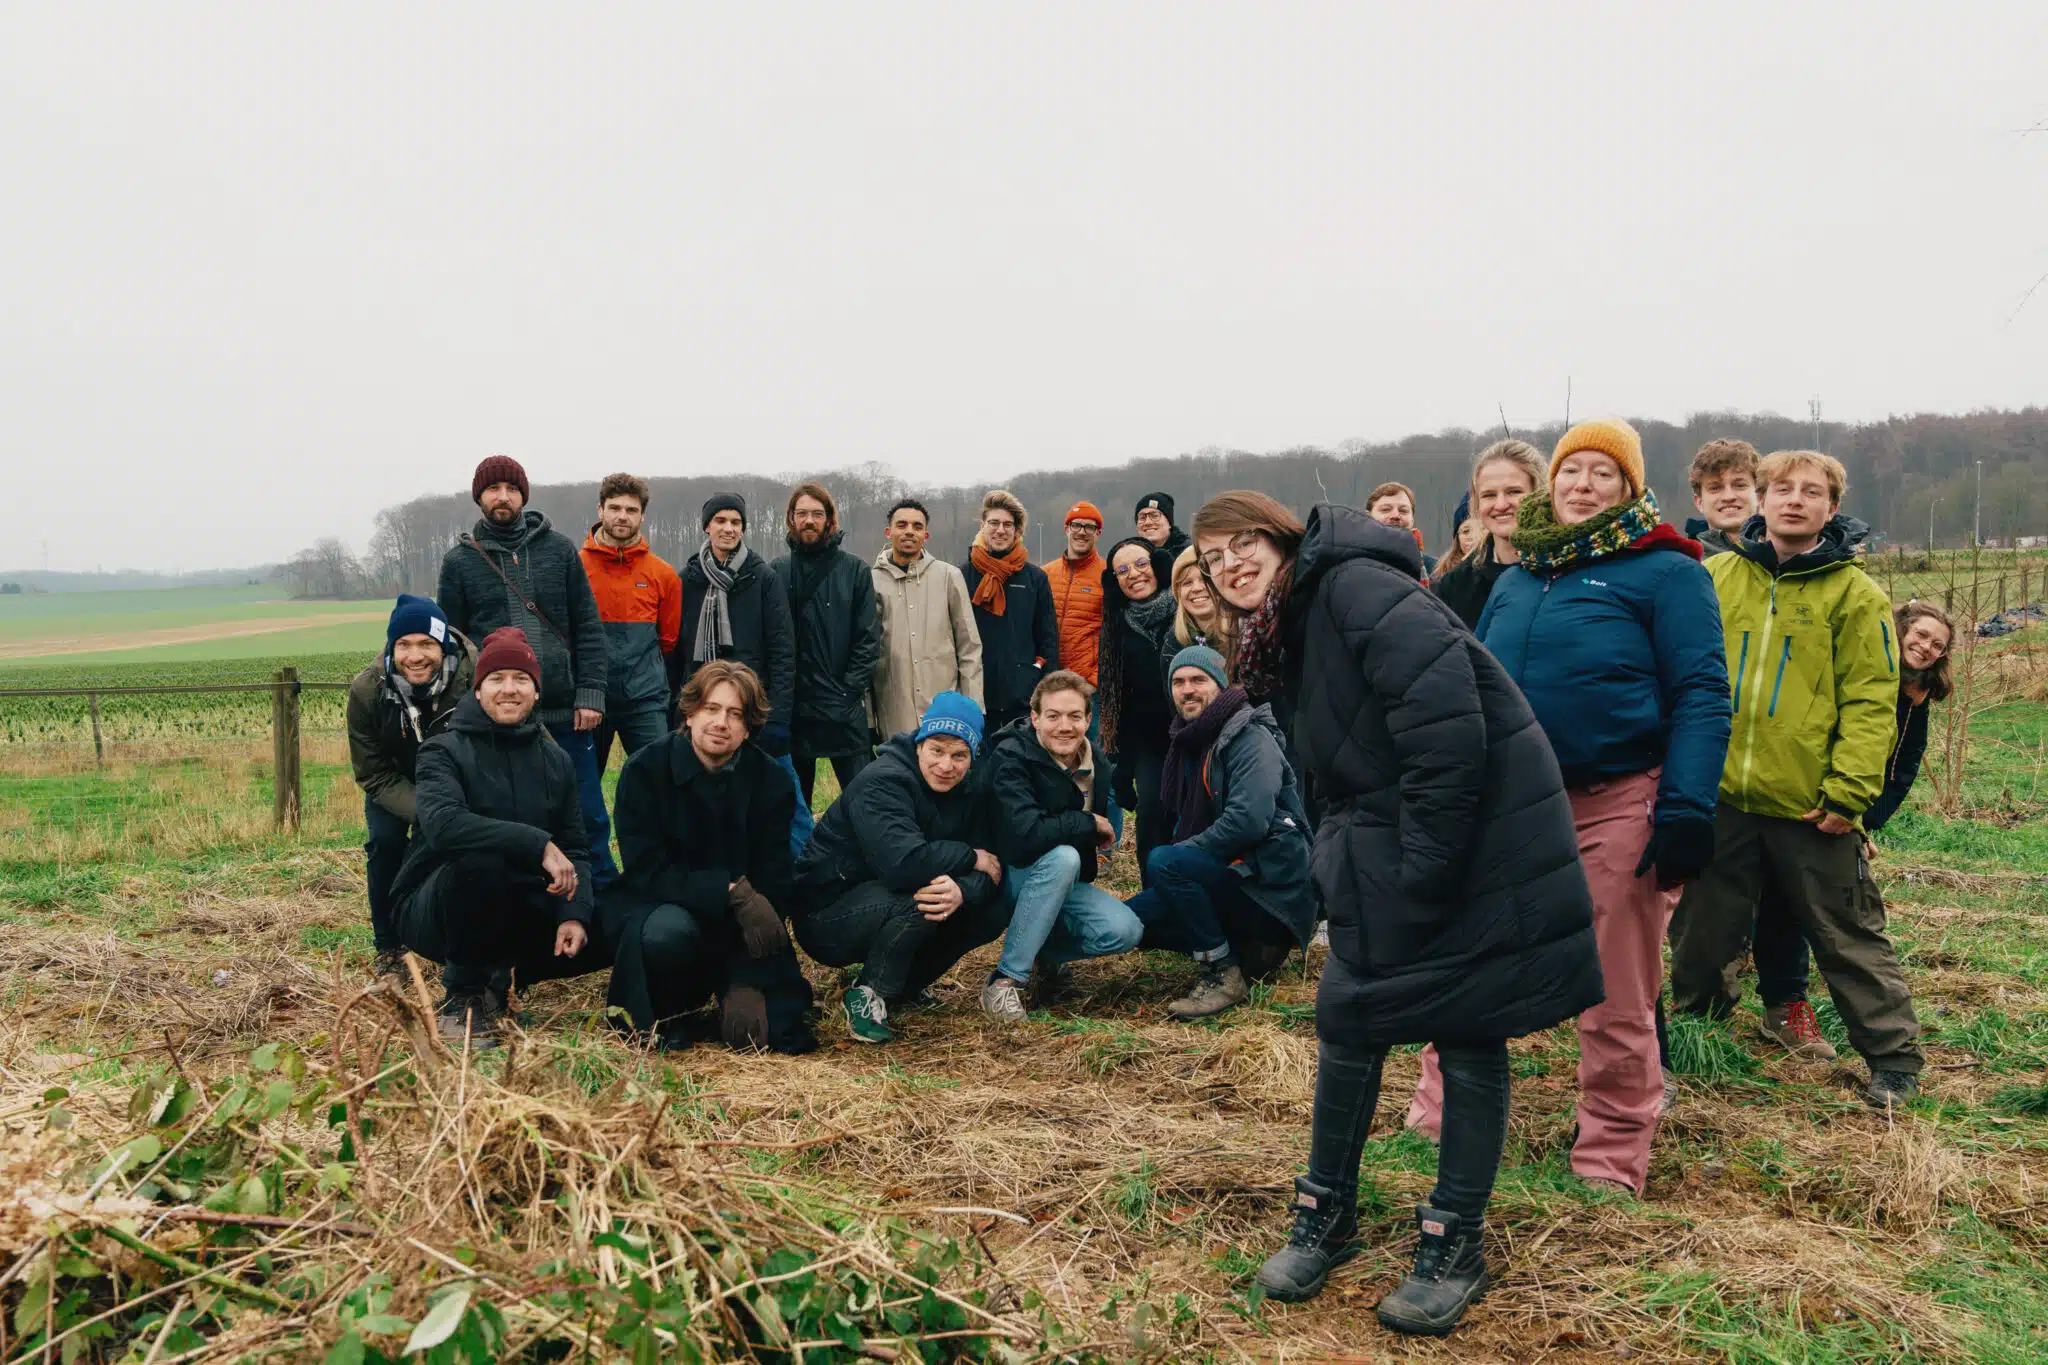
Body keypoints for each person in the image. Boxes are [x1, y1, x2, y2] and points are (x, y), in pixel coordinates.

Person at [1193, 492, 1600, 1336]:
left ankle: (1455, 1242)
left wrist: (1427, 866)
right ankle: (1326, 1214)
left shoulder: (1354, 588)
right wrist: (1336, 856)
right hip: (1384, 838)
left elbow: (1446, 727)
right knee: (1349, 1015)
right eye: (1210, 557)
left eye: (1241, 542)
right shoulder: (1288, 622)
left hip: (1468, 832)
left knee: (1468, 1027)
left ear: (1281, 537)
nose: (1229, 563)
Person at [1407, 419, 1730, 1198]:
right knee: (1467, 961)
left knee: (1613, 988)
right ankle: (1439, 1118)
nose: (1583, 484)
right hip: (1511, 806)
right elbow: (1474, 692)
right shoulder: (1521, 577)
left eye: (1602, 473)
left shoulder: (1667, 572)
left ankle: (1610, 1155)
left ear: (1629, 487)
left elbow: (1702, 691)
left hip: (1617, 801)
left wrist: (1686, 807)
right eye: (1571, 471)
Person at [1668, 451, 1926, 1111]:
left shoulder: (1855, 594)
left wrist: (1849, 792)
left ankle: (1893, 1059)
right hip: (1720, 792)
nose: (1794, 500)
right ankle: (1698, 1037)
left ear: (1831, 508)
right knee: (1702, 932)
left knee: (1847, 930)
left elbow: (1872, 699)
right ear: (1762, 498)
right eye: (1782, 488)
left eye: (1812, 492)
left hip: (1811, 803)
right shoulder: (1715, 576)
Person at [1746, 599, 1956, 1060]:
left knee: (1813, 909)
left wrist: (1860, 820)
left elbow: (1900, 770)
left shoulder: (1916, 699)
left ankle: (1790, 1004)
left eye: (1937, 645)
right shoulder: (1855, 669)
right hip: (1796, 790)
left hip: (1841, 811)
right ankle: (1718, 1004)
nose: (1926, 647)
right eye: (1921, 635)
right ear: (1899, 629)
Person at [390, 628, 605, 1046]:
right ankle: (464, 996)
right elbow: (444, 826)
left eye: (521, 679)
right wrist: (538, 844)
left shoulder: (556, 761)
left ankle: (506, 975)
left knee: (620, 919)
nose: (509, 689)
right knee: (481, 862)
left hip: (518, 902)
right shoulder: (442, 750)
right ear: (478, 690)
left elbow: (575, 847)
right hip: (438, 907)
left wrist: (573, 914)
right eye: (497, 679)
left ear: (536, 692)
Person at [603, 660, 815, 1054]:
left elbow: (773, 876)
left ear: (748, 727)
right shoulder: (644, 771)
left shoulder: (772, 780)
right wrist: (727, 890)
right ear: (689, 713)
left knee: (773, 1032)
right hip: (662, 908)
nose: (721, 723)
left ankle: (732, 986)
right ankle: (672, 1010)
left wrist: (747, 979)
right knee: (667, 933)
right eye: (711, 709)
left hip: (739, 925)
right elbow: (646, 870)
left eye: (735, 714)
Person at [436, 456, 617, 886]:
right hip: (500, 719)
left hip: (566, 714)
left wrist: (590, 693)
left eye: (511, 489)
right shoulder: (459, 562)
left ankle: (599, 899)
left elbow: (588, 627)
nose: (503, 497)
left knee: (587, 814)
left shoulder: (560, 550)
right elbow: (452, 645)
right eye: (493, 489)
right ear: (479, 496)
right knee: (512, 817)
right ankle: (526, 901)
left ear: (524, 496)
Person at [794, 693, 1009, 1044]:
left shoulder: (972, 790)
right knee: (924, 896)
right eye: (936, 750)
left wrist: (962, 890)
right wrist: (969, 856)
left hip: (895, 895)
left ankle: (905, 985)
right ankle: (870, 993)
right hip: (827, 913)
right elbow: (902, 865)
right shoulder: (882, 780)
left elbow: (994, 867)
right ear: (919, 744)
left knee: (991, 908)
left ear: (973, 756)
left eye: (959, 755)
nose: (946, 765)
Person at [1123, 646, 1316, 1018]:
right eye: (1178, 682)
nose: (1187, 690)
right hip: (1234, 875)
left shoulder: (1249, 737)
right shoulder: (1191, 740)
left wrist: (1182, 857)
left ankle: (1225, 971)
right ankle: (1249, 952)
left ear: (1221, 685)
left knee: (1166, 862)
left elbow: (1248, 821)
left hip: (1269, 888)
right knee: (1130, 923)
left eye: (1198, 679)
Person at [980, 671, 1142, 1020]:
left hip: (1061, 879)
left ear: (1088, 719)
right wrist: (1087, 823)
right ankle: (1005, 981)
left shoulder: (1096, 762)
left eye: (1074, 716)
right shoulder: (1010, 756)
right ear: (1035, 718)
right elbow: (1024, 836)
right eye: (1053, 716)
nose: (1064, 727)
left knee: (1125, 930)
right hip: (1008, 876)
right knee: (1064, 857)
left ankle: (1044, 954)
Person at [347, 594, 476, 978]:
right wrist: (427, 812)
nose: (414, 656)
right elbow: (372, 772)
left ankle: (470, 942)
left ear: (443, 645)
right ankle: (389, 947)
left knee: (473, 849)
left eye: (426, 644)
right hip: (395, 783)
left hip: (463, 783)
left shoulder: (476, 679)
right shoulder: (368, 691)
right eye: (403, 644)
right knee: (385, 844)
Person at [677, 493, 809, 851]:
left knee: (787, 801)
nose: (729, 528)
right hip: (705, 710)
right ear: (707, 526)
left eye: (736, 522)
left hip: (755, 710)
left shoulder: (763, 578)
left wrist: (777, 718)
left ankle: (805, 868)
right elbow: (678, 651)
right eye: (721, 521)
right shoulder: (688, 580)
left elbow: (782, 651)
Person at [772, 482, 881, 808]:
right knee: (793, 808)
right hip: (793, 708)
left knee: (864, 801)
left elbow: (868, 638)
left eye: (817, 514)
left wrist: (849, 691)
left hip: (842, 707)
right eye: (802, 513)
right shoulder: (777, 571)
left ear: (830, 519)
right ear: (791, 519)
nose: (809, 520)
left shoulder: (855, 570)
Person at [580, 473, 682, 775]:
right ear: (600, 510)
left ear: (642, 516)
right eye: (615, 508)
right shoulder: (575, 567)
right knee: (581, 785)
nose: (622, 516)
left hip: (645, 700)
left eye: (631, 510)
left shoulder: (664, 575)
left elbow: (668, 640)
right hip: (590, 699)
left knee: (659, 781)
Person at [1098, 536, 1180, 884]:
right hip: (1149, 740)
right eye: (1122, 570)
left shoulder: (1185, 608)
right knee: (1150, 813)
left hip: (1195, 732)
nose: (1133, 574)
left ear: (1158, 565)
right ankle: (1154, 891)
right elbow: (1116, 698)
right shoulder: (1116, 624)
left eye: (1141, 564)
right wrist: (1121, 764)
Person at [871, 498, 985, 742]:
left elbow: (969, 647)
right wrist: (870, 718)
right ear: (888, 532)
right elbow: (865, 651)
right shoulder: (871, 581)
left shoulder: (948, 577)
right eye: (902, 525)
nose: (909, 531)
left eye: (917, 526)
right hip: (894, 710)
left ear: (926, 535)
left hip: (944, 709)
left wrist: (973, 708)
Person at [1043, 501, 1119, 843]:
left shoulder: (1107, 575)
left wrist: (1098, 678)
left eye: (1090, 527)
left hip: (1090, 689)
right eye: (1076, 525)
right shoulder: (1046, 574)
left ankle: (1105, 845)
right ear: (1066, 529)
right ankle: (1064, 837)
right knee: (1055, 768)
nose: (1082, 532)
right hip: (1052, 688)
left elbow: (1114, 632)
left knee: (1099, 767)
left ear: (1098, 533)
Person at [962, 490, 1060, 736]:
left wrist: (1043, 686)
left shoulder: (1035, 578)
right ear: (982, 526)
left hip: (1022, 699)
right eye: (994, 523)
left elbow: (1048, 638)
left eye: (1008, 525)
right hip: (976, 697)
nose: (1000, 530)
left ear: (1017, 531)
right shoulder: (961, 576)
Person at [1431, 441, 1544, 630]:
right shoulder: (1455, 585)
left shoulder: (1567, 572)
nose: (1500, 505)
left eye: (1514, 492)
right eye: (1489, 495)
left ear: (1539, 493)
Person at [1683, 438, 1761, 556]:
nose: (1728, 497)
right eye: (1715, 488)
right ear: (1699, 502)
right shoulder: (1683, 563)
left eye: (1739, 485)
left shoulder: (1785, 557)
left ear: (1760, 495)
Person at [1170, 546, 1233, 660]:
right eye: (1187, 583)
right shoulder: (1172, 645)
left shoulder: (1246, 634)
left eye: (1205, 580)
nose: (1197, 588)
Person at [1366, 480, 1434, 576]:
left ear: (1412, 519)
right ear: (1368, 516)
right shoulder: (1351, 564)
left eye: (1403, 510)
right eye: (1386, 509)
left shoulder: (1435, 571)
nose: (1395, 515)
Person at [1431, 495, 1477, 580]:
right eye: (1466, 531)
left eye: (1480, 530)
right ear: (1457, 538)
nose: (1472, 537)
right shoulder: (1443, 576)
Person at [1134, 492, 1191, 557]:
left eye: (1154, 516)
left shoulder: (1190, 554)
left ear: (1169, 523)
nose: (1148, 522)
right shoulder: (1130, 556)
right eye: (1142, 518)